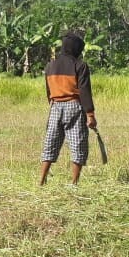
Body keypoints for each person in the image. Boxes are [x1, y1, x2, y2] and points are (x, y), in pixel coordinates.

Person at [39, 30, 97, 186]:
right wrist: (90, 114)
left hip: (55, 107)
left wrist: (54, 104)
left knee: (50, 143)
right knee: (78, 144)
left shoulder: (50, 65)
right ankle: (74, 183)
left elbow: (48, 91)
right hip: (74, 107)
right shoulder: (80, 65)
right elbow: (84, 91)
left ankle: (41, 181)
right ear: (76, 48)